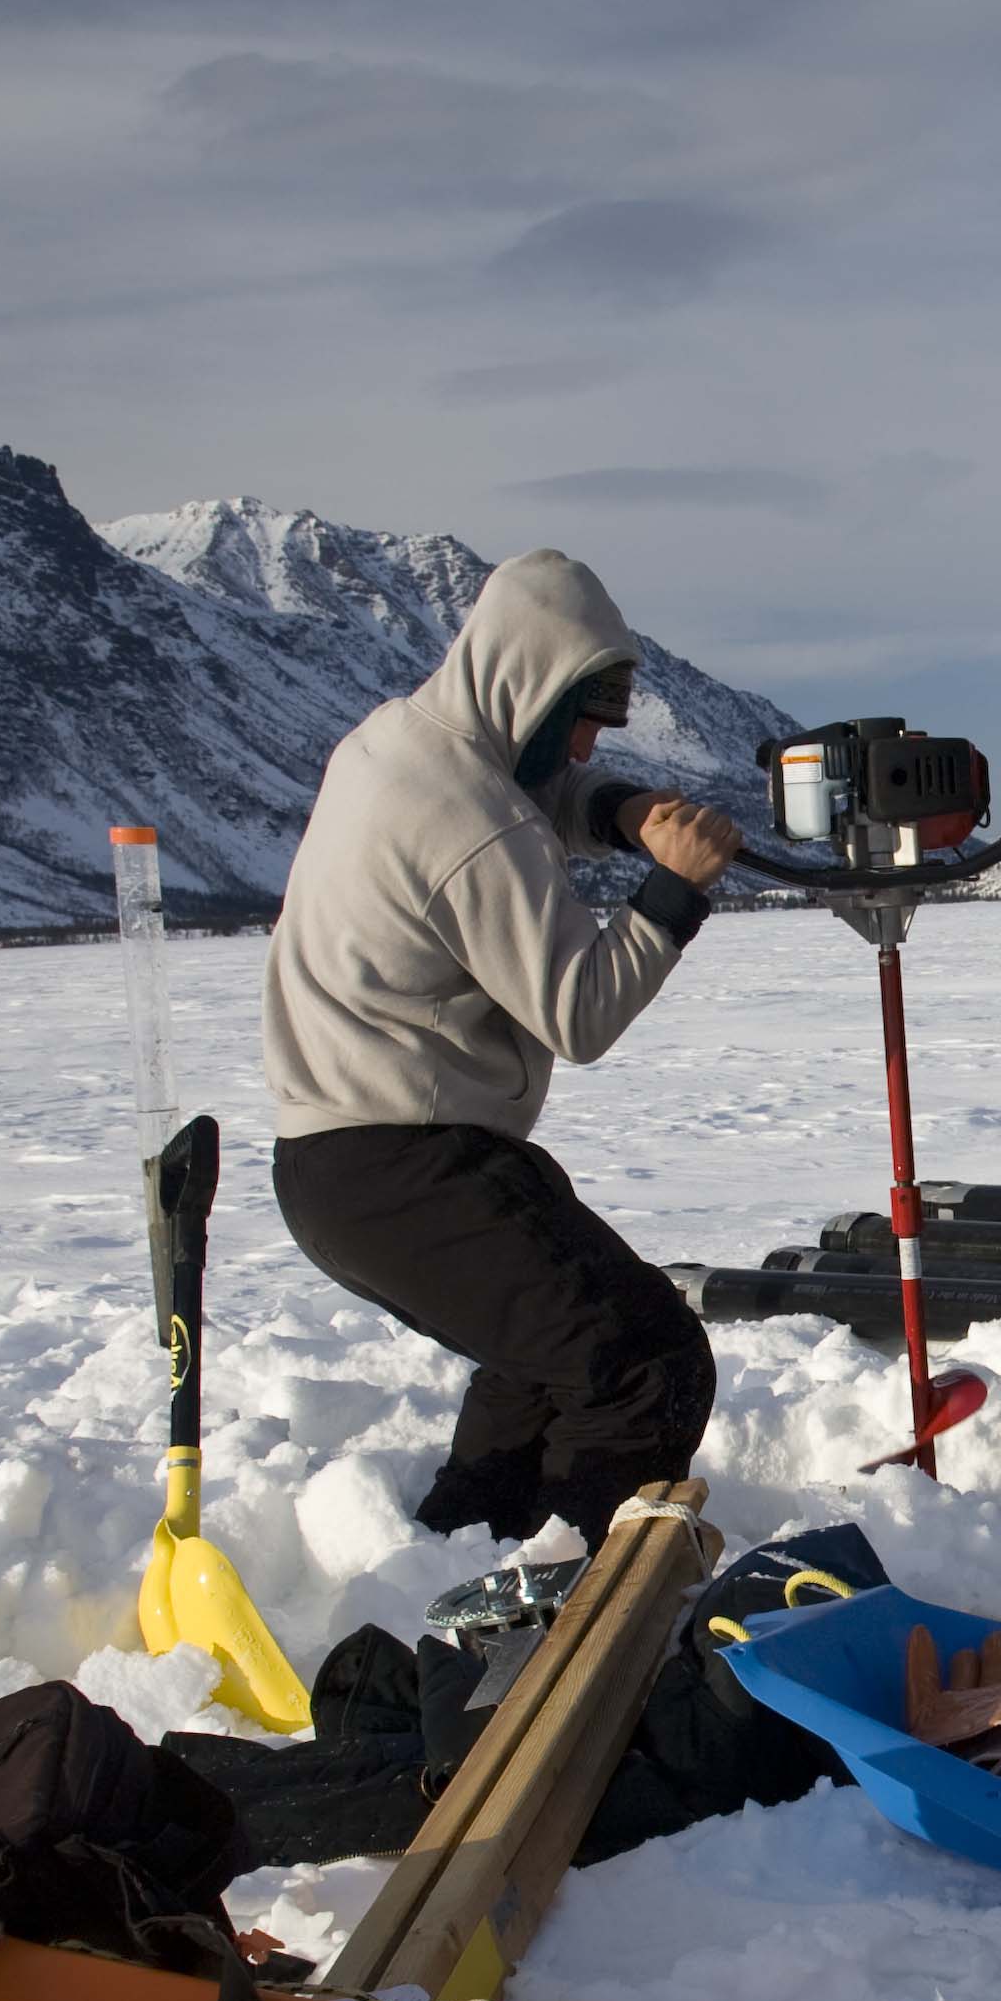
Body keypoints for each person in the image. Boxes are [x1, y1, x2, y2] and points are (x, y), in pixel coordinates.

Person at [263, 548, 744, 1548]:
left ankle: (456, 1568)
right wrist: (673, 891)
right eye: (579, 717)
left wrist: (615, 810)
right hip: (403, 1160)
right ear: (529, 687)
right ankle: (568, 1623)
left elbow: (529, 796)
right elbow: (581, 1010)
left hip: (352, 1160)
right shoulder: (464, 816)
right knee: (644, 1364)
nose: (581, 745)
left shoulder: (398, 744)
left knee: (545, 1364)